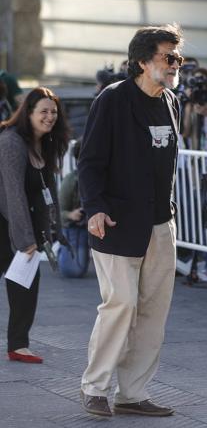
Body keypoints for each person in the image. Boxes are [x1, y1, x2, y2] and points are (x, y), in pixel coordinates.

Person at [78, 24, 183, 417]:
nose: (175, 65)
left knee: (154, 311)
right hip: (117, 223)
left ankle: (132, 393)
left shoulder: (172, 101)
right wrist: (95, 208)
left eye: (178, 58)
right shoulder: (113, 100)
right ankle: (95, 386)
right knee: (120, 304)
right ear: (141, 61)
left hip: (160, 224)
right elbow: (89, 161)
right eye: (167, 57)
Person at [0, 87, 70, 364]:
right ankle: (18, 344)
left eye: (54, 112)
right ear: (28, 114)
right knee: (24, 279)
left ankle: (18, 346)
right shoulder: (10, 142)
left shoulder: (45, 143)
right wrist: (26, 240)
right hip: (6, 220)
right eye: (43, 111)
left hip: (18, 222)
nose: (50, 116)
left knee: (26, 283)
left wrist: (56, 229)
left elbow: (48, 189)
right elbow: (12, 193)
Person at [57, 139, 90, 278]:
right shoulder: (70, 181)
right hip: (77, 229)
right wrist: (71, 215)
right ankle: (63, 251)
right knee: (74, 271)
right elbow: (57, 213)